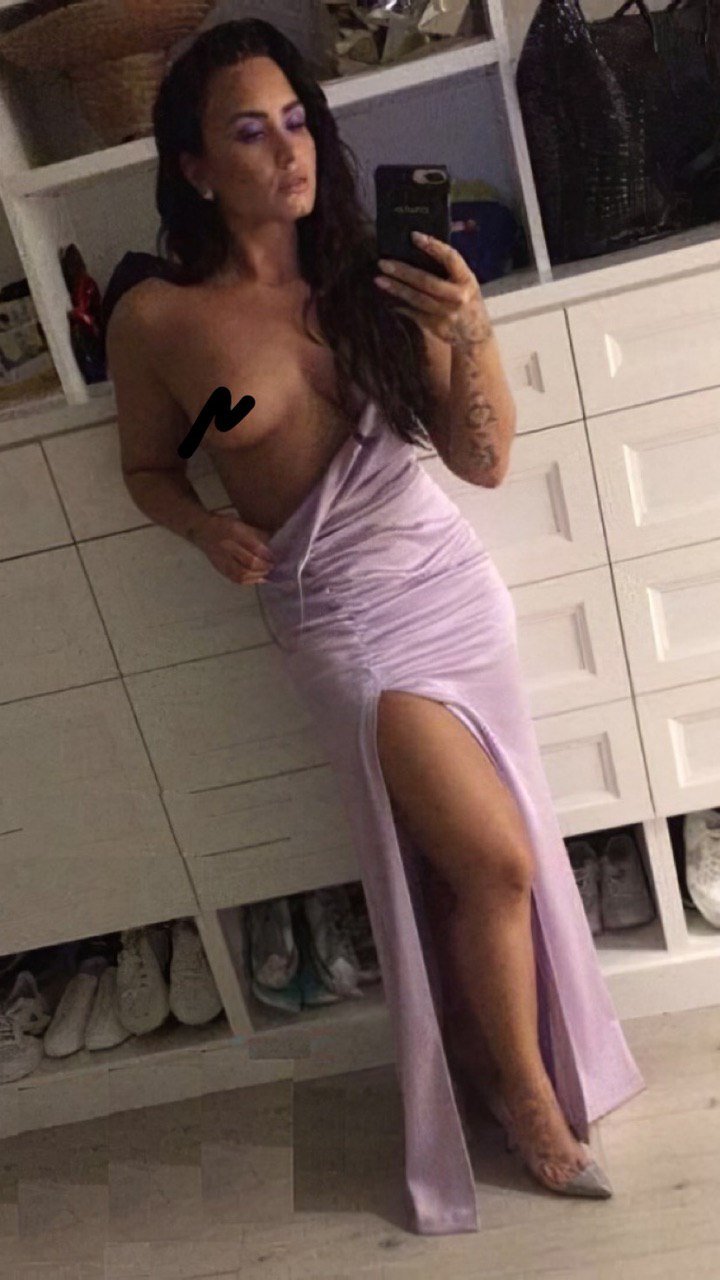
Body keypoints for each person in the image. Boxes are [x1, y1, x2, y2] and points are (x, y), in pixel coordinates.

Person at [102, 17, 645, 1238]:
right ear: (195, 166)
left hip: (447, 584)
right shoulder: (161, 323)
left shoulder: (371, 278)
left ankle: (496, 1055)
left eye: (298, 121)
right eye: (250, 131)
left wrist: (470, 331)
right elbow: (150, 463)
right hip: (340, 619)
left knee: (482, 855)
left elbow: (480, 462)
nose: (287, 149)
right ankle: (523, 1097)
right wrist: (201, 524)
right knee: (494, 860)